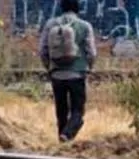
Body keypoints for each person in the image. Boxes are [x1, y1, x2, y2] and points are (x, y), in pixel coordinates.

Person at [38, 0, 97, 143]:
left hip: (57, 74)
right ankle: (68, 135)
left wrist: (50, 68)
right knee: (78, 111)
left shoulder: (50, 25)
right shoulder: (84, 26)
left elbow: (43, 50)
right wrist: (89, 67)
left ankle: (62, 140)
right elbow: (91, 52)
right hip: (77, 74)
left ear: (61, 8)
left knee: (61, 111)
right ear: (77, 9)